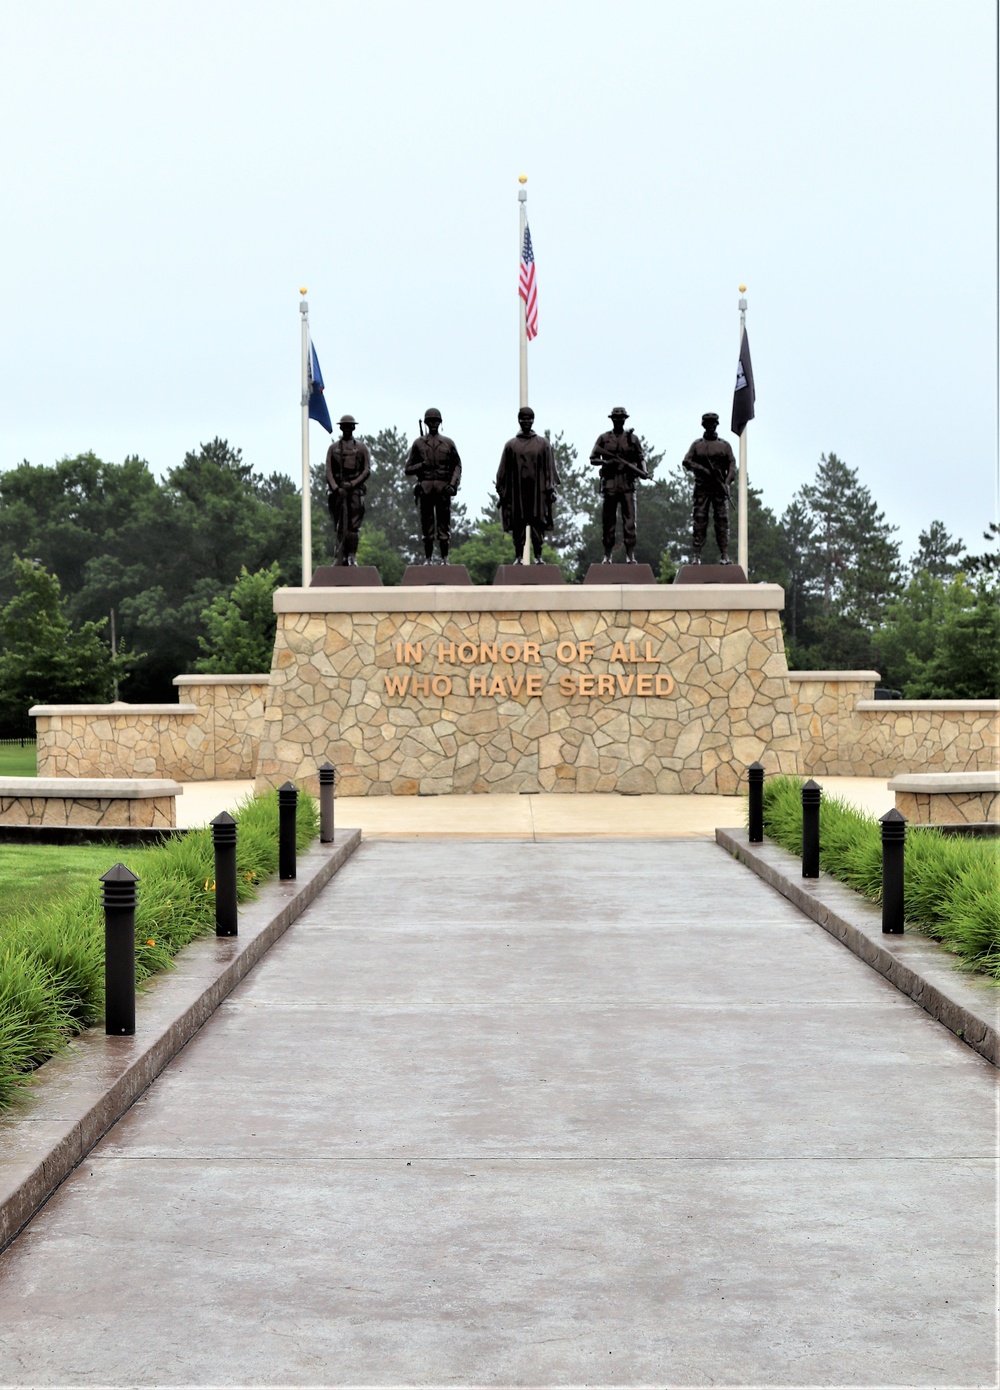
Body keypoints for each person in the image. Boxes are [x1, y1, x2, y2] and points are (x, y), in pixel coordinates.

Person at [495, 406, 560, 564]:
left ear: (533, 420)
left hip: (537, 493)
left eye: (529, 419)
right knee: (518, 526)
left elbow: (550, 469)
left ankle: (538, 556)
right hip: (517, 493)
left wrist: (550, 488)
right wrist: (502, 493)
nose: (526, 422)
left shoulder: (543, 444)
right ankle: (518, 557)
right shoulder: (511, 445)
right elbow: (502, 472)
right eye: (523, 419)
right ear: (519, 420)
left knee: (538, 525)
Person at [589, 407, 649, 563]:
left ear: (625, 419)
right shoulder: (604, 438)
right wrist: (606, 462)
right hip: (610, 484)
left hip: (627, 484)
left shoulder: (632, 439)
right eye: (616, 418)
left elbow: (641, 457)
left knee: (630, 522)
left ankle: (630, 555)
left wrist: (644, 471)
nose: (618, 420)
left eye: (621, 418)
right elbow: (593, 458)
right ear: (612, 419)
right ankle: (607, 555)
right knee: (608, 522)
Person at [404, 408, 463, 564]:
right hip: (426, 488)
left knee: (444, 525)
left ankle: (445, 558)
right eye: (430, 421)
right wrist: (421, 465)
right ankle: (428, 558)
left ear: (440, 422)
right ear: (426, 423)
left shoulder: (448, 443)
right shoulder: (418, 443)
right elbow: (408, 469)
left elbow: (457, 465)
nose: (433, 424)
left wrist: (452, 484)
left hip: (443, 488)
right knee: (427, 525)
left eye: (436, 421)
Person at [681, 412, 736, 564]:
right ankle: (697, 555)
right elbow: (686, 461)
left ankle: (724, 554)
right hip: (702, 488)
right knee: (699, 519)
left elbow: (732, 466)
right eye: (708, 424)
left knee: (722, 521)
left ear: (717, 425)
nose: (711, 427)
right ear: (704, 426)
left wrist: (726, 482)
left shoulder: (724, 446)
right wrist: (702, 469)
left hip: (719, 489)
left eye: (713, 424)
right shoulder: (697, 445)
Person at [325, 415, 372, 566]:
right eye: (344, 426)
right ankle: (340, 555)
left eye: (349, 426)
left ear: (353, 428)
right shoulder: (333, 448)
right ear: (340, 428)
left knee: (353, 526)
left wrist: (353, 484)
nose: (347, 429)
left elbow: (366, 470)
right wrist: (336, 488)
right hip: (338, 492)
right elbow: (329, 471)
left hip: (355, 490)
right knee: (339, 524)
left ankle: (352, 556)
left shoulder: (361, 448)